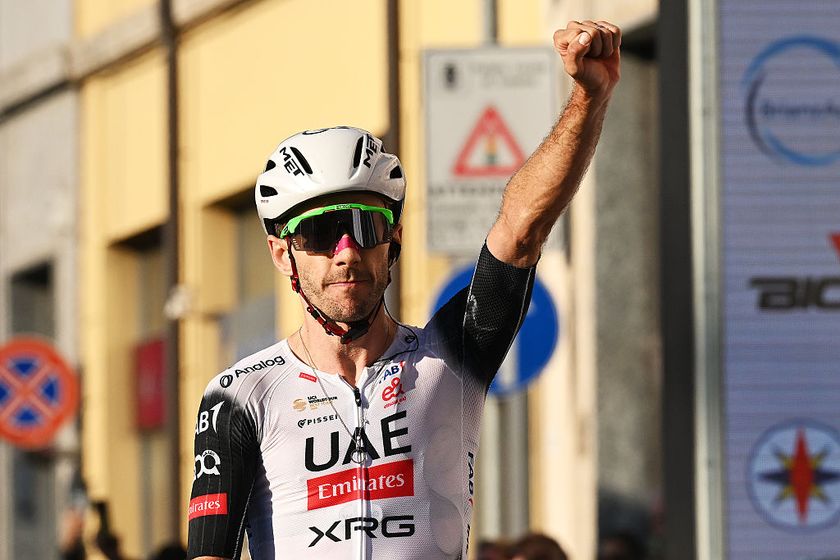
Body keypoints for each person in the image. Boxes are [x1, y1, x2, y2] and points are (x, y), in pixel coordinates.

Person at [187, 19, 621, 560]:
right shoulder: (237, 395)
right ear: (283, 255)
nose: (347, 251)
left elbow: (520, 229)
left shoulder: (449, 357)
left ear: (392, 240)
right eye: (322, 233)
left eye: (365, 227)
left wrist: (588, 96)